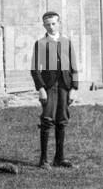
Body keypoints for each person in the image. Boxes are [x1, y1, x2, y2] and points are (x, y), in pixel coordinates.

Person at [31, 11, 78, 168]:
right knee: (47, 120)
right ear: (44, 25)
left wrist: (73, 88)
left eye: (54, 23)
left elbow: (74, 67)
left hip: (64, 86)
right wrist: (41, 88)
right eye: (47, 24)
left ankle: (59, 158)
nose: (51, 27)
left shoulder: (67, 42)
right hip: (49, 87)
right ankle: (43, 159)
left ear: (59, 24)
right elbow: (35, 69)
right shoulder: (41, 43)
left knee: (62, 120)